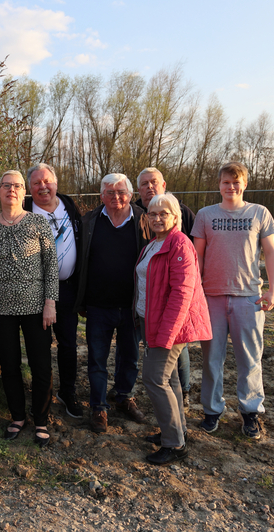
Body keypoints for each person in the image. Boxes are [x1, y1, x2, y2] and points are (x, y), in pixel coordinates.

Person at [192, 161, 274, 439]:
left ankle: (250, 412)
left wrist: (273, 290)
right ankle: (211, 411)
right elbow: (197, 255)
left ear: (244, 184)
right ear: (219, 185)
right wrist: (196, 291)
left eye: (236, 182)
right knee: (211, 360)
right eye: (226, 182)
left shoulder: (259, 213)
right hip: (212, 298)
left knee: (250, 359)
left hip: (249, 298)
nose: (231, 187)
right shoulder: (205, 215)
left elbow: (271, 253)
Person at [0, 170, 58, 447]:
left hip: (36, 306)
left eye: (17, 185)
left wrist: (50, 303)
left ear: (24, 191)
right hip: (1, 307)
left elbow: (51, 265)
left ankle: (41, 419)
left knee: (41, 365)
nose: (11, 190)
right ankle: (17, 416)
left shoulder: (38, 222)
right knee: (9, 365)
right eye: (6, 185)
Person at [135, 193, 211, 465]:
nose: (157, 218)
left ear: (175, 217)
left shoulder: (180, 244)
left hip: (169, 325)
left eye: (163, 213)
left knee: (154, 378)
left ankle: (174, 445)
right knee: (171, 379)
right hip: (150, 320)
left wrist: (167, 334)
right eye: (152, 214)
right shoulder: (154, 244)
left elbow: (182, 294)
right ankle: (177, 431)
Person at [74, 173, 147, 433]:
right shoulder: (89, 221)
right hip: (98, 304)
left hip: (131, 306)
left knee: (130, 357)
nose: (116, 197)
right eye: (110, 192)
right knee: (97, 359)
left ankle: (124, 396)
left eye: (121, 192)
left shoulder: (143, 220)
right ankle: (99, 407)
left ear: (130, 194)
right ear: (101, 195)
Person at [24, 163, 83, 419]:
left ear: (56, 183)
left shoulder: (70, 207)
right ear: (29, 188)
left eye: (47, 181)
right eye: (36, 183)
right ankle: (43, 396)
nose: (43, 187)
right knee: (41, 346)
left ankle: (67, 392)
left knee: (69, 344)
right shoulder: (24, 210)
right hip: (36, 291)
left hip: (67, 289)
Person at [134, 167, 196, 408]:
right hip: (148, 309)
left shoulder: (180, 233)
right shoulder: (142, 222)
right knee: (166, 375)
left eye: (154, 182)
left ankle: (183, 398)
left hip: (169, 313)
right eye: (144, 183)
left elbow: (183, 286)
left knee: (163, 370)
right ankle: (176, 412)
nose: (149, 187)